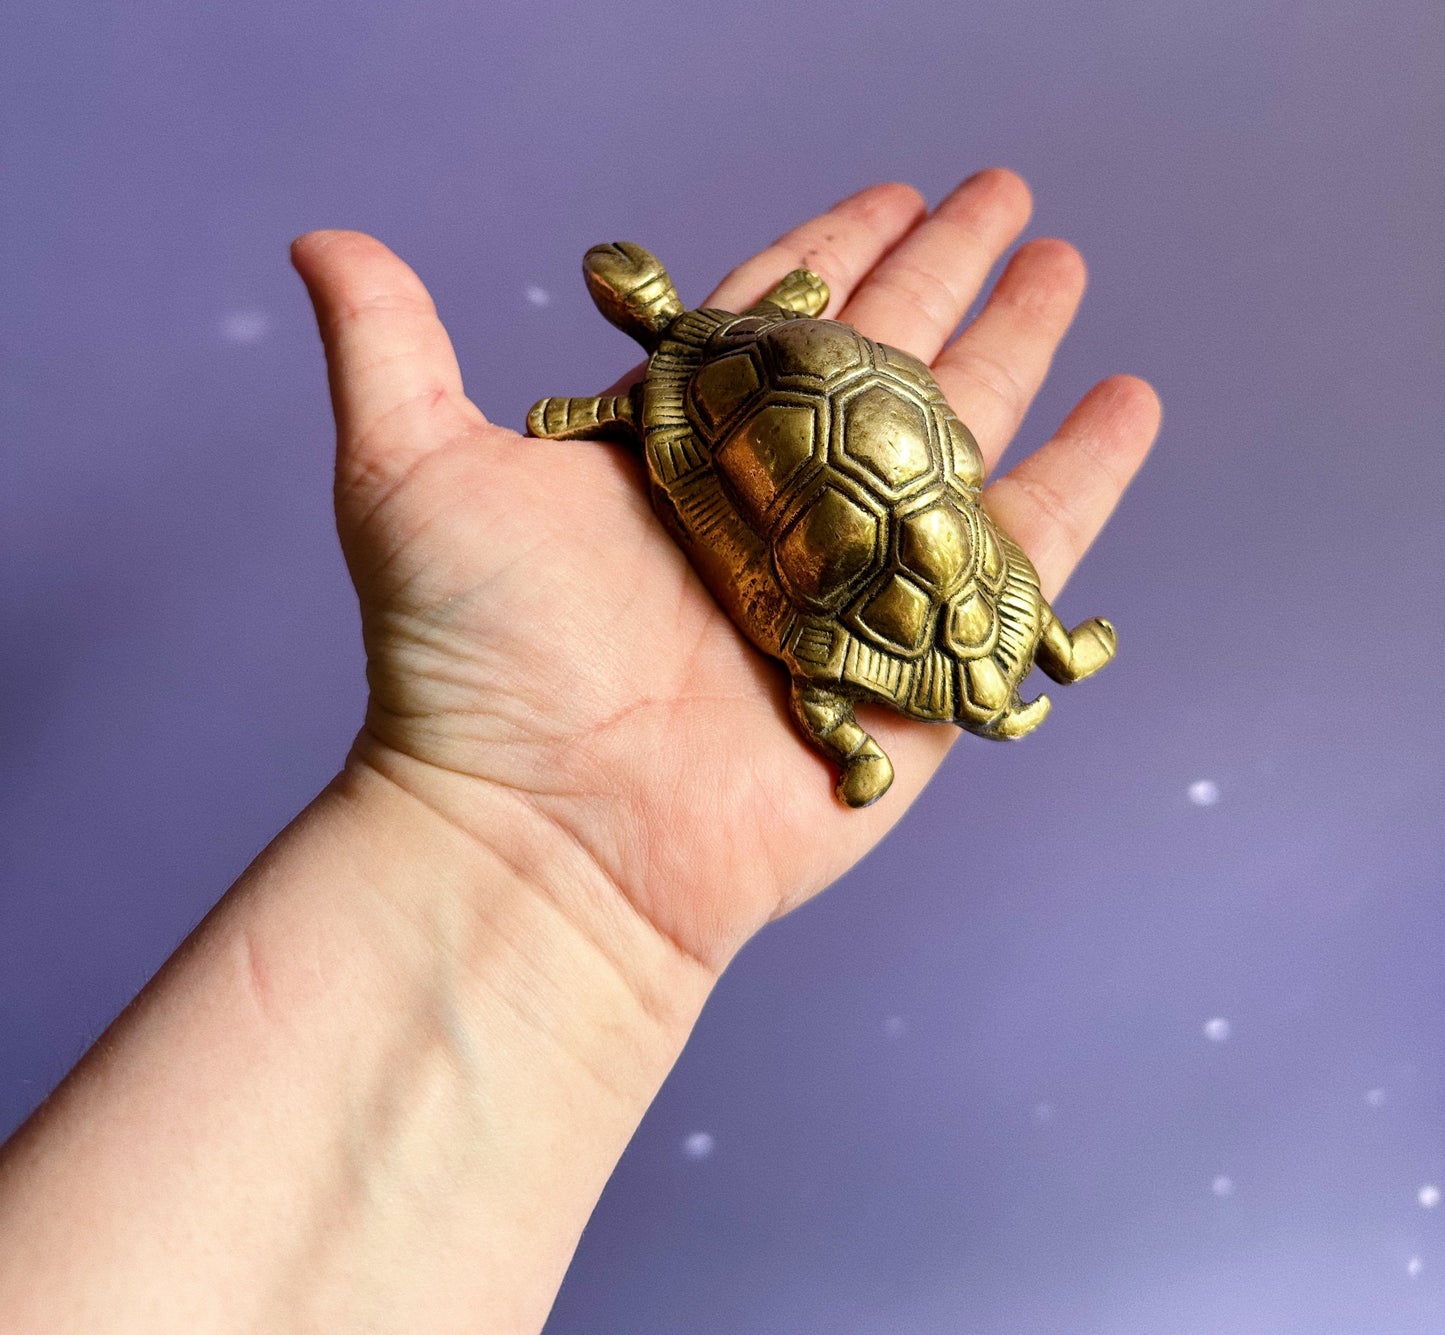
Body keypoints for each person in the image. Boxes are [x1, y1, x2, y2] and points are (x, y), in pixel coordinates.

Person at [0, 171, 1161, 1333]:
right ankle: (1034, 651)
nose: (628, 294)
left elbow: (695, 431)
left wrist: (613, 400)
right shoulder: (746, 341)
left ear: (629, 313)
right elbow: (759, 366)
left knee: (887, 592)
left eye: (630, 289)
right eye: (629, 289)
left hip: (885, 508)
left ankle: (1004, 667)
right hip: (873, 514)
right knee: (926, 572)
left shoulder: (678, 387)